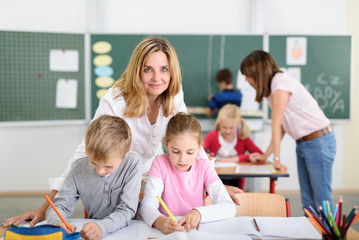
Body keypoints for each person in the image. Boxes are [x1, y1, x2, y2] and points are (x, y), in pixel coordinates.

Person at [2, 36, 242, 228]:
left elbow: (190, 141)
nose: (157, 78)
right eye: (148, 69)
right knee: (117, 226)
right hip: (119, 178)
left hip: (157, 178)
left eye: (164, 70)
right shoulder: (116, 99)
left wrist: (214, 185)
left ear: (172, 71)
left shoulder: (174, 95)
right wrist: (46, 209)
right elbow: (84, 152)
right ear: (137, 69)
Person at [240, 50, 336, 212]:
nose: (246, 80)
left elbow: (276, 124)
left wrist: (276, 158)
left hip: (319, 142)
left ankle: (330, 236)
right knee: (307, 201)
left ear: (258, 72)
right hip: (304, 144)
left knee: (322, 199)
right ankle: (312, 236)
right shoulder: (271, 91)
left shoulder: (280, 83)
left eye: (248, 75)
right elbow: (283, 126)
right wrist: (266, 155)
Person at [46, 115, 142, 240]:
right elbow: (60, 206)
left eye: (108, 166)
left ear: (126, 153)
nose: (100, 171)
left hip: (130, 230)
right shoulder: (78, 168)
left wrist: (102, 227)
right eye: (94, 163)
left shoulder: (132, 163)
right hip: (95, 232)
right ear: (86, 149)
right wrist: (57, 222)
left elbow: (127, 209)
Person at [140, 113, 236, 234]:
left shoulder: (204, 167)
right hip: (164, 233)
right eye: (175, 151)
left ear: (199, 147)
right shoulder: (160, 163)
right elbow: (147, 204)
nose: (182, 159)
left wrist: (199, 213)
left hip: (195, 232)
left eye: (190, 152)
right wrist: (160, 221)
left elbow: (229, 207)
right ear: (166, 144)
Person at [203, 104, 264, 189]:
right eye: (224, 127)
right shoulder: (212, 136)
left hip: (235, 182)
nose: (228, 131)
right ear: (220, 123)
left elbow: (261, 155)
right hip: (214, 180)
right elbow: (198, 151)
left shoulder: (242, 138)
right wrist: (205, 156)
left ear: (238, 124)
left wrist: (239, 158)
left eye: (231, 128)